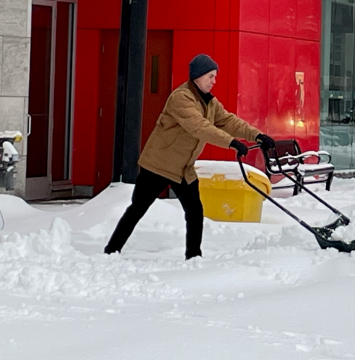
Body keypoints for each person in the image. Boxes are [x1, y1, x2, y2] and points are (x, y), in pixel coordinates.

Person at [105, 54, 276, 260]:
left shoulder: (210, 103)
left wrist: (257, 135)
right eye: (210, 76)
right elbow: (199, 127)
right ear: (197, 76)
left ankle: (194, 257)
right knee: (138, 209)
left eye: (215, 76)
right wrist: (231, 143)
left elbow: (229, 121)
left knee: (195, 212)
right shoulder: (181, 98)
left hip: (183, 168)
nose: (214, 81)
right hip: (158, 164)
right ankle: (111, 251)